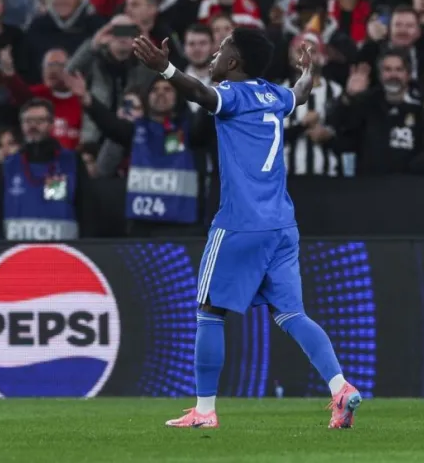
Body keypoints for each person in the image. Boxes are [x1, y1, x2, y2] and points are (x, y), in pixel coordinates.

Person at [130, 29, 360, 429]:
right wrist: (308, 71)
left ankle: (204, 410)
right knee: (291, 314)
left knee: (209, 310)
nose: (214, 55)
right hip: (282, 225)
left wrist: (164, 68)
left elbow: (201, 95)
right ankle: (340, 386)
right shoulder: (275, 95)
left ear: (234, 63)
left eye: (221, 50)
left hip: (241, 223)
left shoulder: (233, 96)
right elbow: (301, 93)